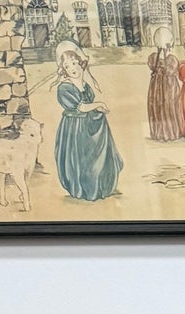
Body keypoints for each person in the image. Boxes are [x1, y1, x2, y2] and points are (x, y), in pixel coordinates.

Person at [52, 42, 122, 202]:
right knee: (79, 159)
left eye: (75, 63)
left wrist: (99, 110)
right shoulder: (64, 88)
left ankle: (98, 187)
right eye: (68, 66)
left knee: (94, 158)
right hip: (74, 129)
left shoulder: (86, 87)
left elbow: (89, 107)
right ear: (64, 70)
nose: (73, 68)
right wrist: (98, 105)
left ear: (81, 64)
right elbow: (81, 107)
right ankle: (81, 188)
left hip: (88, 126)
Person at [146, 26, 183, 143]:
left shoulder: (154, 57)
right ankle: (170, 133)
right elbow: (171, 71)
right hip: (168, 85)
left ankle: (160, 133)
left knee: (162, 106)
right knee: (166, 105)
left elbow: (156, 67)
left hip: (156, 85)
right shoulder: (170, 59)